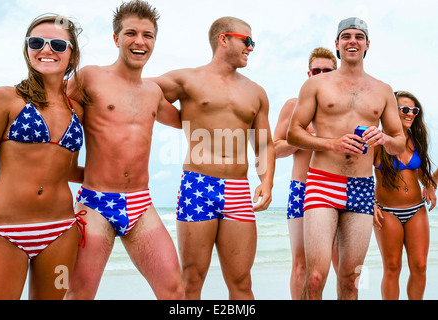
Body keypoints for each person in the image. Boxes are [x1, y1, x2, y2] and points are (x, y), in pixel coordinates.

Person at [64, 0, 184, 300]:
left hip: (141, 204)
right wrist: (79, 173)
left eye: (148, 35)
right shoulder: (88, 78)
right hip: (95, 202)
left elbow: (190, 122)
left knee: (174, 290)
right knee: (79, 293)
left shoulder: (154, 93)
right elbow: (56, 123)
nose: (140, 41)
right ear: (116, 38)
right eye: (131, 33)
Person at [152, 16, 275, 299]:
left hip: (238, 189)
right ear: (224, 39)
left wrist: (266, 182)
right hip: (197, 185)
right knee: (192, 279)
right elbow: (138, 89)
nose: (251, 48)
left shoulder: (256, 92)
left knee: (242, 282)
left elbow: (264, 143)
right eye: (247, 41)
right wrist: (180, 120)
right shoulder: (188, 78)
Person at [287, 17, 405, 300]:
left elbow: (398, 143)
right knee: (315, 278)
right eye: (346, 36)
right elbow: (293, 134)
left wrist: (385, 139)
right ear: (337, 44)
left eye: (359, 36)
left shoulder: (383, 90)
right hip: (322, 182)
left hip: (361, 186)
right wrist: (331, 143)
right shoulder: (317, 85)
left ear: (367, 45)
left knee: (351, 279)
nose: (353, 40)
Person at [0, 14, 85, 299]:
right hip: (6, 230)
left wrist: (115, 180)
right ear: (27, 49)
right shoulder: (5, 98)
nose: (46, 49)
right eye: (36, 42)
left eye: (57, 43)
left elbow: (68, 171)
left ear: (72, 54)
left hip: (61, 232)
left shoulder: (77, 109)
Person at [274, 47, 339, 299]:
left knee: (343, 266)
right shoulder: (294, 106)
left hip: (338, 186)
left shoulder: (345, 108)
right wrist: (305, 139)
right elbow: (274, 149)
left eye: (327, 71)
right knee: (302, 265)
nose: (321, 75)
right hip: (303, 189)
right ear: (308, 73)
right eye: (316, 71)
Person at [373, 90, 437, 299]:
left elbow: (421, 174)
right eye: (405, 109)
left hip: (417, 210)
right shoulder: (377, 140)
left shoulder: (416, 139)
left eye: (414, 110)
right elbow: (360, 175)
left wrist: (431, 185)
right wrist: (368, 204)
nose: (411, 114)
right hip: (386, 212)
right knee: (392, 268)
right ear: (391, 111)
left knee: (419, 267)